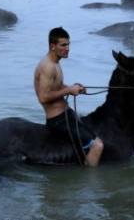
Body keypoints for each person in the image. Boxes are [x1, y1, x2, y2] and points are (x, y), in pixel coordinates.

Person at [34, 27, 104, 166]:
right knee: (97, 146)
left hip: (65, 114)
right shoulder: (47, 66)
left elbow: (56, 87)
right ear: (52, 46)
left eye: (68, 44)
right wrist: (68, 91)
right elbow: (43, 97)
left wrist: (74, 88)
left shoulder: (54, 63)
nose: (67, 48)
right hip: (58, 120)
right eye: (63, 45)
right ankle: (90, 182)